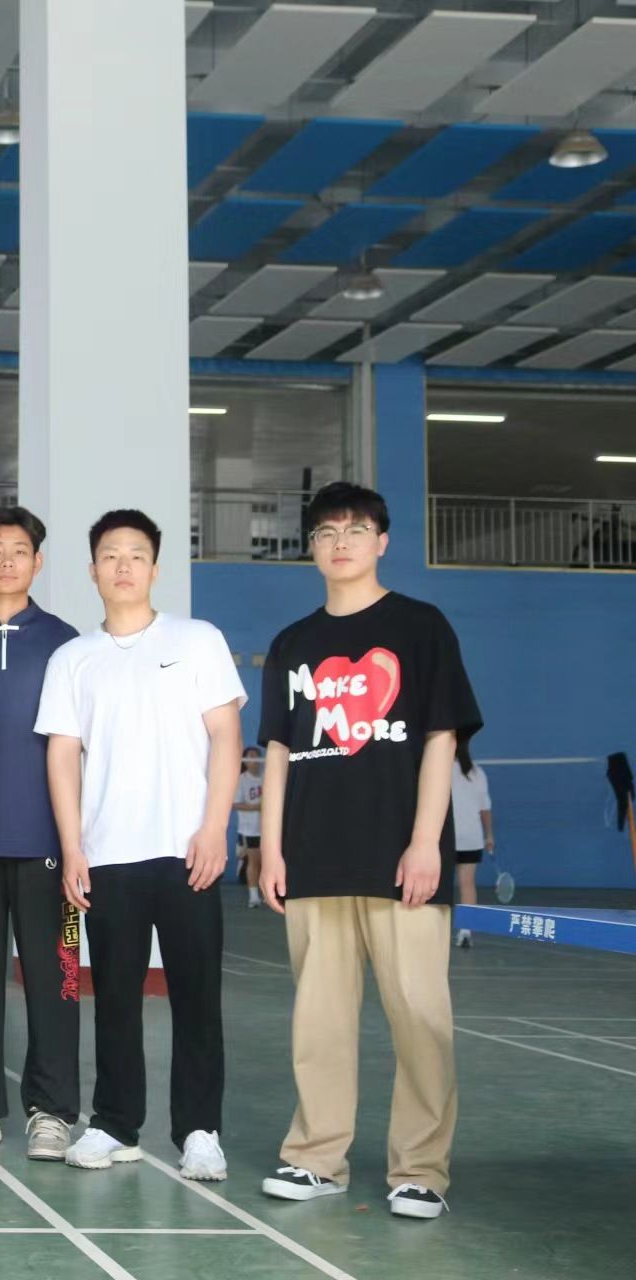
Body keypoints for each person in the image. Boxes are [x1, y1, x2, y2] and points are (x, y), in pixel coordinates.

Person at [257, 481, 480, 1222]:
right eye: (326, 532)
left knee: (421, 1019)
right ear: (311, 548)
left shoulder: (421, 627)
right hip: (314, 858)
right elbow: (279, 752)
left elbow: (441, 738)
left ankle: (420, 1170)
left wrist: (425, 843)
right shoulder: (293, 643)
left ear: (381, 542)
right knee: (318, 1021)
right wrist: (271, 849)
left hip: (401, 862)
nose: (341, 543)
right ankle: (317, 1157)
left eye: (355, 530)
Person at [37, 509, 244, 1181]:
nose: (122, 566)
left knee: (197, 998)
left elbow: (226, 736)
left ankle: (200, 1131)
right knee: (116, 1000)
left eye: (135, 555)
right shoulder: (73, 659)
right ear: (92, 570)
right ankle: (114, 1124)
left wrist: (214, 827)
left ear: (155, 569)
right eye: (110, 555)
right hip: (108, 858)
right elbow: (62, 758)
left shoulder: (198, 640)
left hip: (188, 852)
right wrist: (73, 848)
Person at [0, 507, 81, 1159]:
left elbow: (83, 746)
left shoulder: (67, 643)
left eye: (20, 550)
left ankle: (53, 1111)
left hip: (51, 848)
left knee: (58, 979)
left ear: (38, 562)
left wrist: (79, 842)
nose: (7, 560)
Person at [449, 743, 492, 949]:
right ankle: (466, 931)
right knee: (467, 885)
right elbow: (485, 809)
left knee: (437, 888)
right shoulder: (478, 772)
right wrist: (489, 835)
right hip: (472, 838)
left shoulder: (438, 770)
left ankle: (434, 933)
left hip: (445, 839)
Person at [236, 748, 265, 909]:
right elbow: (235, 804)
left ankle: (268, 895)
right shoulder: (241, 780)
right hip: (250, 829)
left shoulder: (266, 776)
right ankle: (254, 897)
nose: (255, 759)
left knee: (266, 861)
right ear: (245, 761)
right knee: (254, 861)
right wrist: (256, 807)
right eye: (251, 756)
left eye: (257, 756)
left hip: (267, 829)